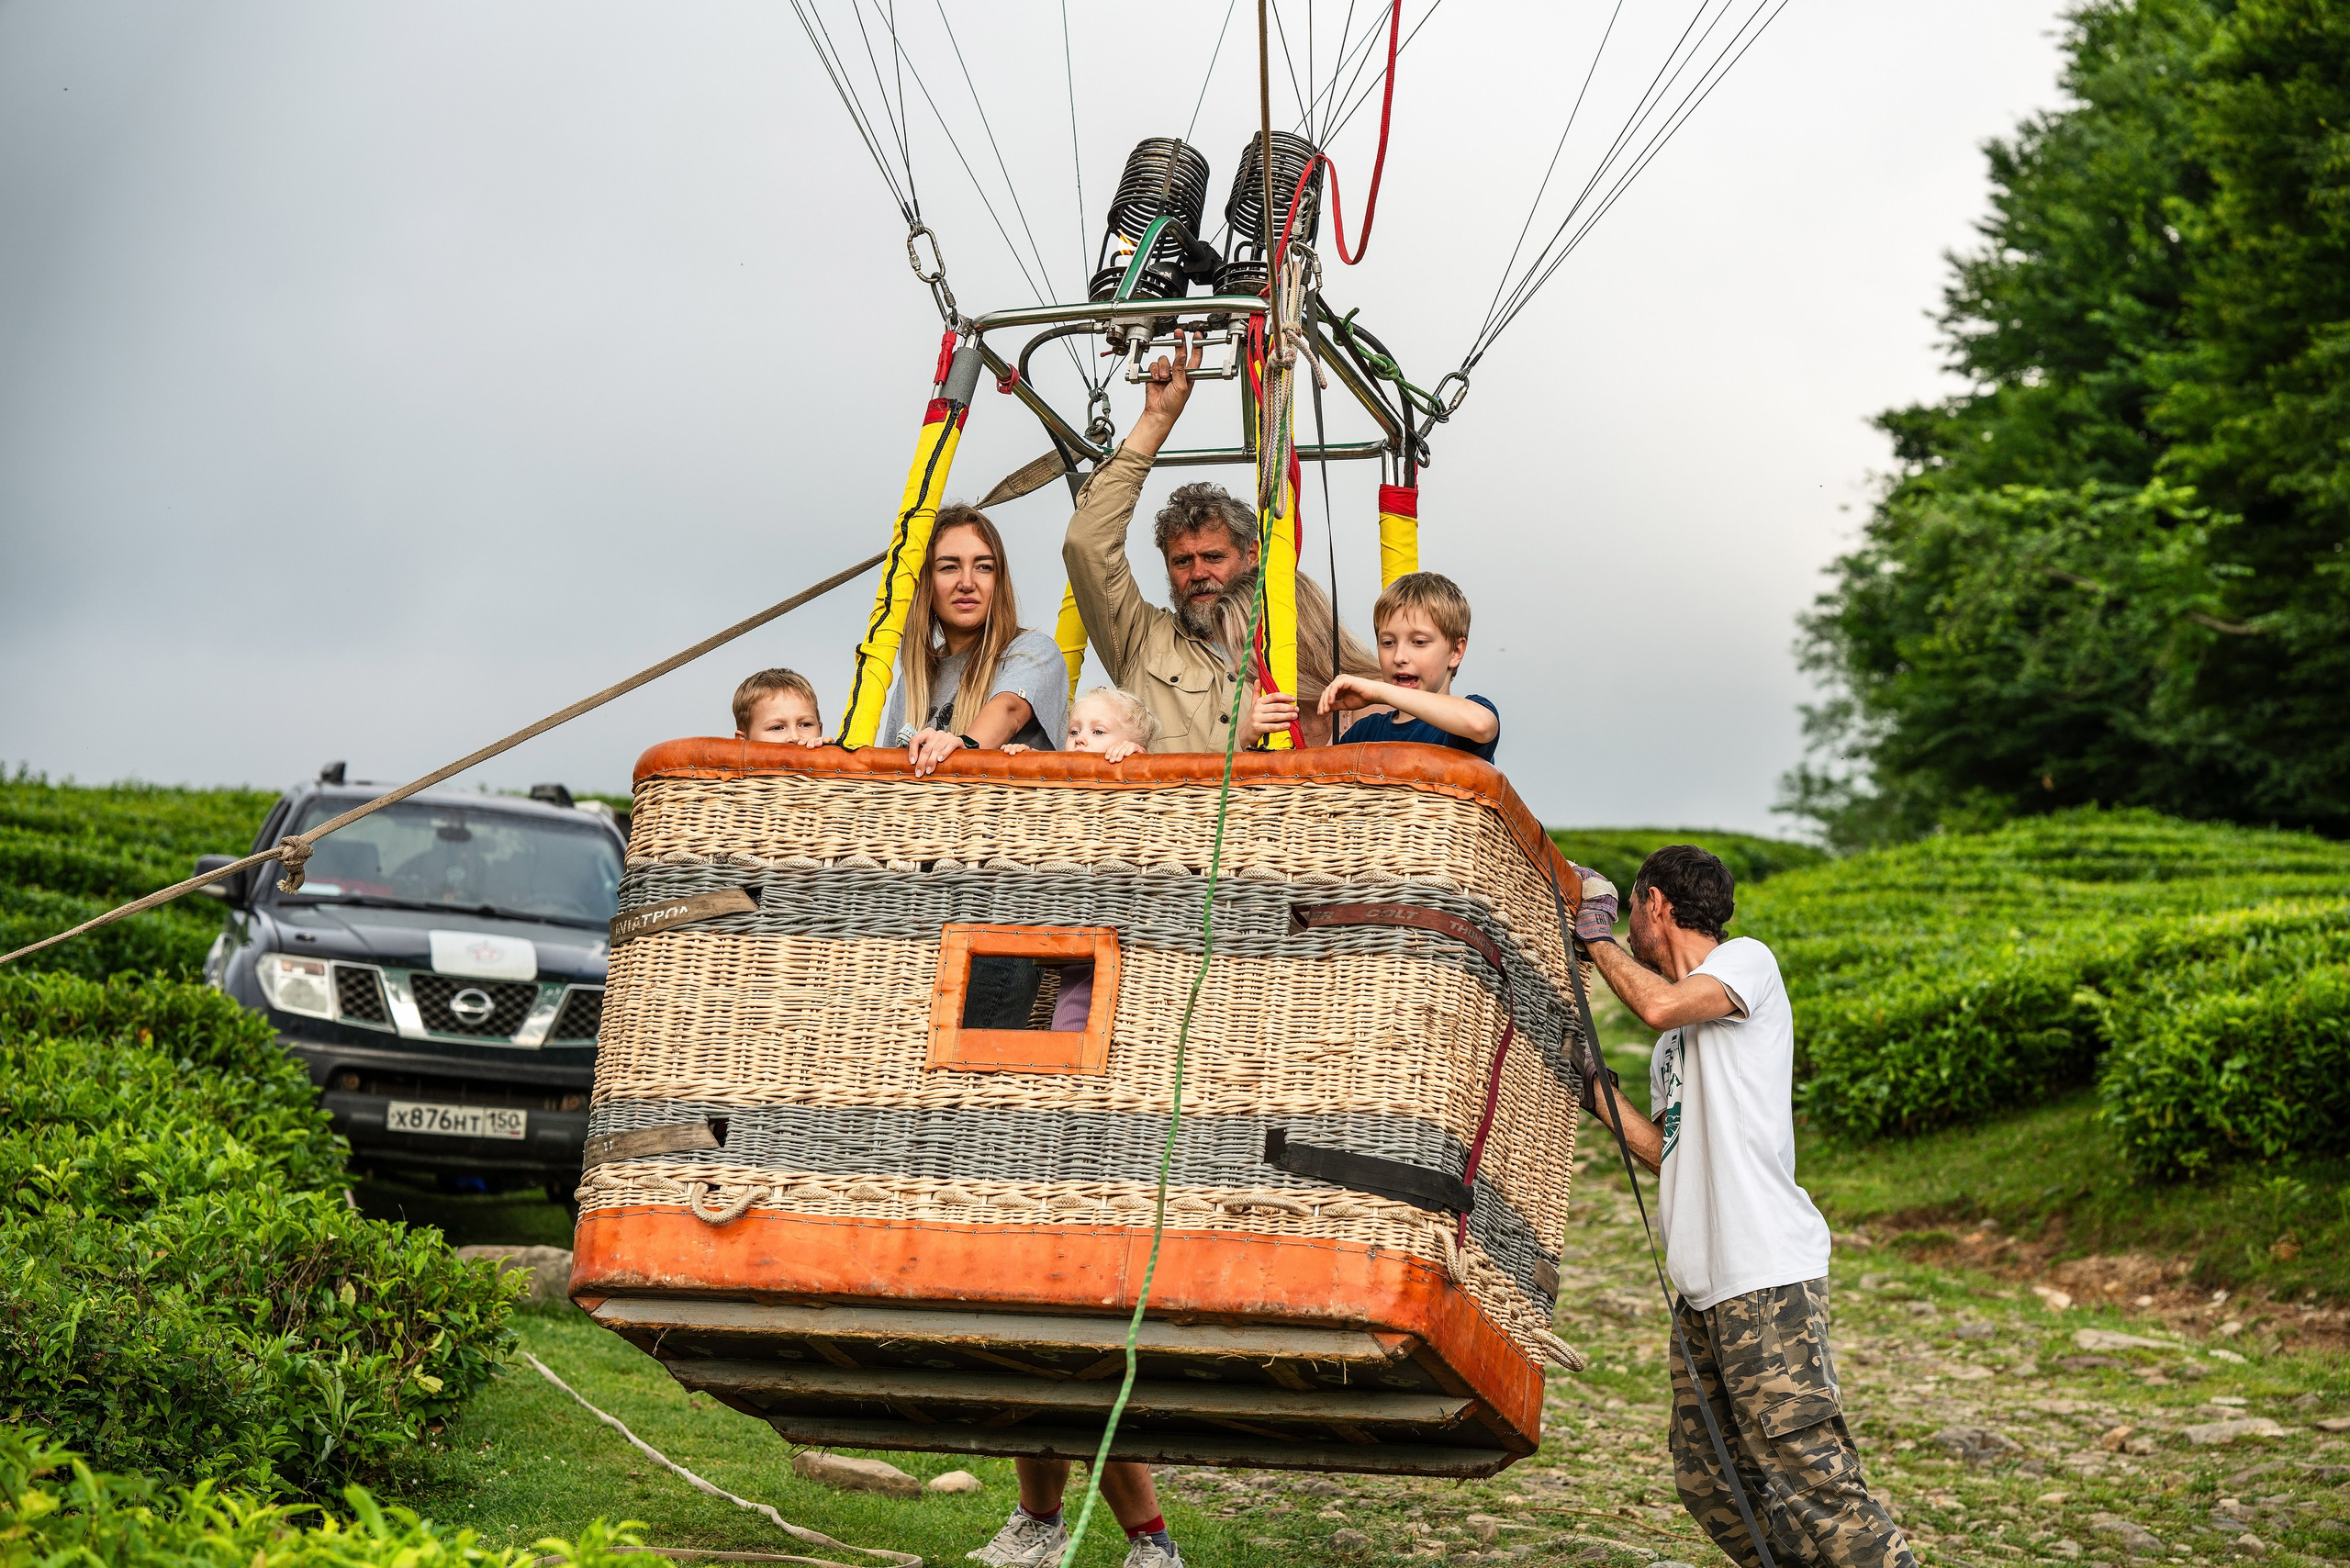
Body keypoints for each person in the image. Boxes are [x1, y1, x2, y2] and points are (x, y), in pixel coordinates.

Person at [1572, 846, 1914, 1568]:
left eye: (1628, 910)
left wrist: (1592, 934)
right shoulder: (1673, 1046)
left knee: (1812, 1478)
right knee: (1710, 1479)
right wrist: (1591, 1082)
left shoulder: (1746, 964)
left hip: (1763, 1278)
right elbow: (1667, 1148)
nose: (1627, 925)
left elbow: (1657, 999)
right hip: (1702, 1294)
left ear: (1654, 904)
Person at [1062, 332, 1253, 754]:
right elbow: (1087, 543)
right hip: (1155, 821)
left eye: (1214, 557)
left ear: (1251, 556)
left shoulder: (1291, 639)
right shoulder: (1140, 639)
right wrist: (1155, 420)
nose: (1199, 573)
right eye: (1182, 561)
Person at [1005, 686, 1158, 1035]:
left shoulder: (1135, 776)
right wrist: (1025, 759)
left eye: (1098, 731)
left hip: (1123, 920)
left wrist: (1137, 759)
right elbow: (1037, 795)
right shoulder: (1064, 781)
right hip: (1072, 915)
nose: (1080, 739)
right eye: (1074, 731)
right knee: (1071, 1012)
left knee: (1111, 1006)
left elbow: (1148, 799)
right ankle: (1068, 1076)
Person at [881, 504, 1069, 778]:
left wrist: (965, 746)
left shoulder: (1033, 651)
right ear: (927, 583)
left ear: (999, 581)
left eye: (983, 567)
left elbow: (1009, 710)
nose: (967, 582)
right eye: (949, 567)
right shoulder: (913, 679)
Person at [1317, 571, 1499, 761]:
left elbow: (1481, 725)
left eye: (1419, 642)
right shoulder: (1363, 733)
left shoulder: (1465, 720)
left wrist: (1379, 692)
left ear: (1456, 652)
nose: (1399, 657)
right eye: (1388, 642)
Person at [732, 668, 828, 746]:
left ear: (820, 731)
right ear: (743, 742)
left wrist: (835, 759)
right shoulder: (724, 770)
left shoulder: (830, 763)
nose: (795, 737)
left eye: (805, 725)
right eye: (777, 728)